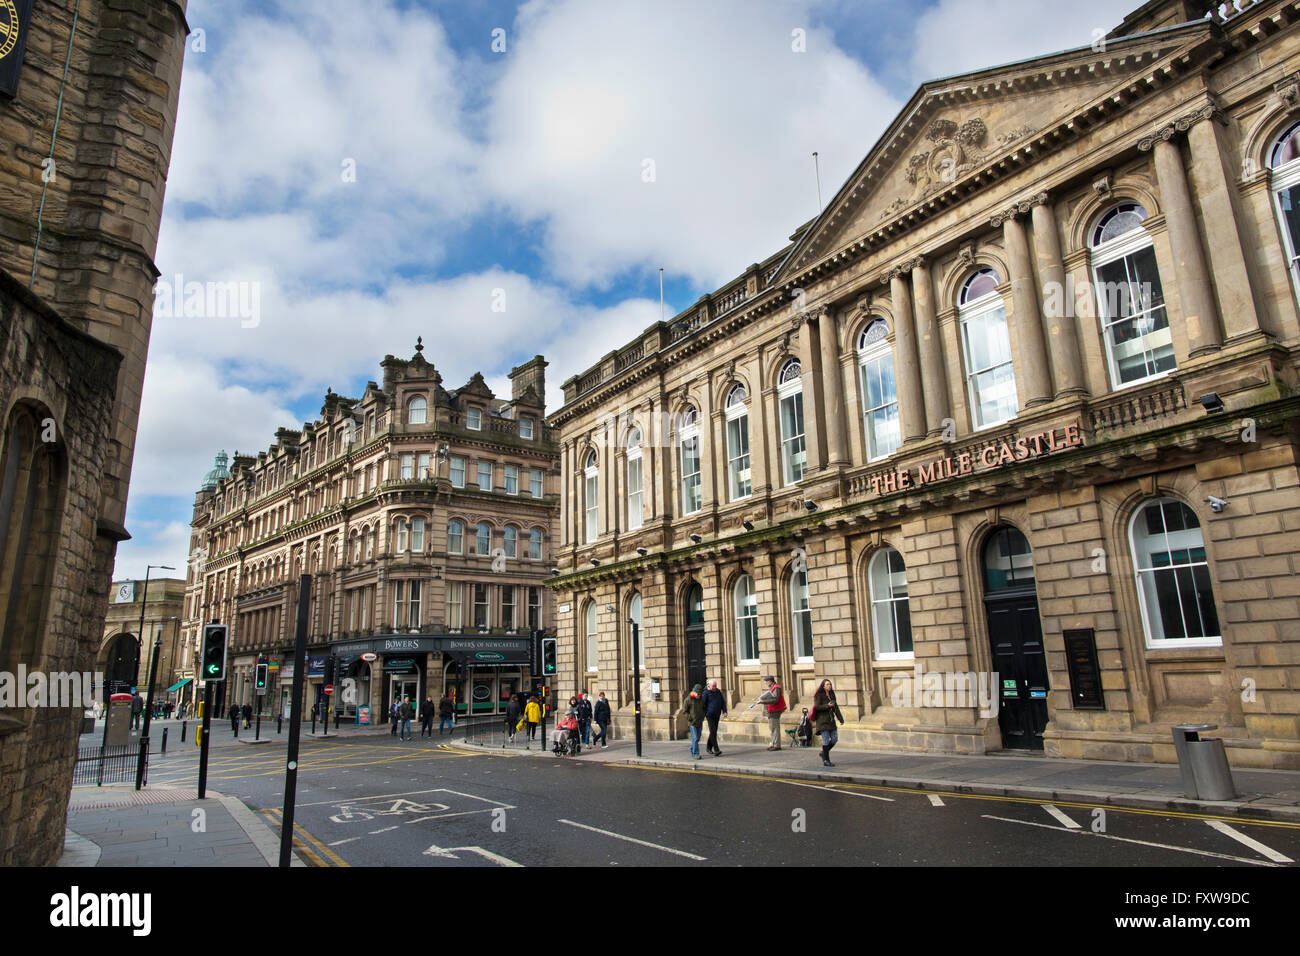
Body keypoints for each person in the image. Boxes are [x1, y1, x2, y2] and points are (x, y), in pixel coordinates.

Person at [812, 678, 845, 767]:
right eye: (827, 684)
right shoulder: (819, 695)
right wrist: (827, 706)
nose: (829, 686)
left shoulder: (831, 695)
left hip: (831, 721)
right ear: (823, 686)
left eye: (830, 684)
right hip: (822, 721)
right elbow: (817, 707)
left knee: (834, 739)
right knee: (826, 740)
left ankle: (823, 752)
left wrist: (841, 719)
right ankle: (826, 760)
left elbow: (836, 708)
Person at [676, 683, 706, 759]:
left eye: (700, 694)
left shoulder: (701, 699)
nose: (698, 695)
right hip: (692, 722)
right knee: (695, 738)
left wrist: (703, 716)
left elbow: (704, 708)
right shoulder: (688, 700)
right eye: (697, 694)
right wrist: (690, 718)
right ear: (694, 692)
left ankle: (692, 748)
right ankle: (695, 754)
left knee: (698, 738)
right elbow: (684, 711)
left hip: (699, 721)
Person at [757, 675, 786, 750]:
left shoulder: (776, 688)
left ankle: (777, 745)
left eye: (766, 681)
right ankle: (773, 743)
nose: (766, 683)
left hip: (775, 710)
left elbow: (775, 699)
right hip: (772, 710)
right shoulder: (772, 688)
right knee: (772, 728)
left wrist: (764, 701)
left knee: (775, 728)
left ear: (770, 681)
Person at [703, 678, 728, 756]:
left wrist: (724, 711)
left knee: (713, 732)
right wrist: (705, 713)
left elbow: (722, 702)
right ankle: (716, 749)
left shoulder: (718, 692)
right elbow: (703, 705)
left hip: (717, 714)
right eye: (713, 686)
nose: (715, 688)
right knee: (713, 732)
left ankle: (708, 747)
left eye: (715, 686)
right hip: (709, 715)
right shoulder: (705, 693)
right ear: (709, 686)